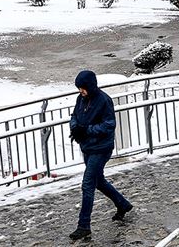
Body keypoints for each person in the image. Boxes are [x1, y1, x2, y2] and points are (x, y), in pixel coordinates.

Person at [68, 70, 132, 241]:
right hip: (87, 147)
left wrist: (86, 130)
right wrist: (75, 128)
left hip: (101, 149)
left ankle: (84, 226)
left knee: (88, 184)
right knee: (99, 181)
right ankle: (123, 204)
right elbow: (74, 116)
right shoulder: (80, 99)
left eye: (83, 88)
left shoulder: (104, 100)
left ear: (90, 86)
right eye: (79, 88)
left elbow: (109, 125)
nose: (80, 91)